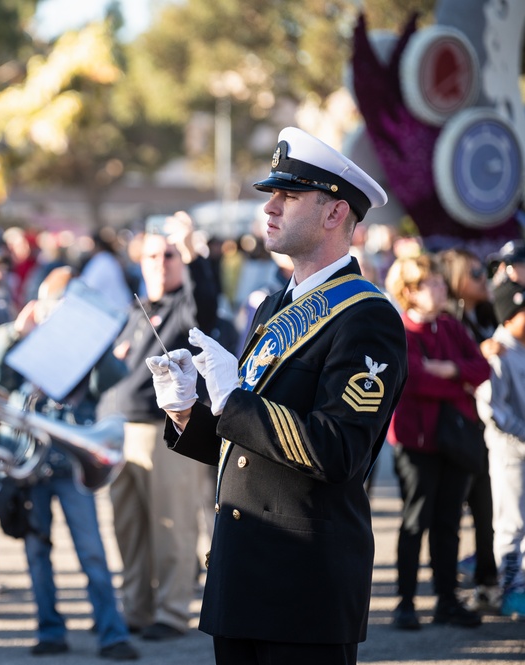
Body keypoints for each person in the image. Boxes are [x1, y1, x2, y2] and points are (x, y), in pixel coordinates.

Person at [147, 127, 408, 665]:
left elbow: (337, 451)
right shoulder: (273, 307)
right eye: (273, 194)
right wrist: (187, 414)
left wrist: (232, 401)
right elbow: (246, 448)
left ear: (335, 213)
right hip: (242, 578)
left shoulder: (368, 318)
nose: (270, 207)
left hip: (303, 586)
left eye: (288, 196)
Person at [0, 267, 139, 660]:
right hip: (29, 462)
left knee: (92, 551)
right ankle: (49, 629)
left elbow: (110, 380)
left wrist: (97, 344)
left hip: (71, 464)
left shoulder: (82, 341)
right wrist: (15, 331)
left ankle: (112, 633)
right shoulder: (23, 336)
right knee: (36, 552)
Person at [96, 214, 214, 642]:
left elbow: (207, 302)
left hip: (165, 430)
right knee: (128, 528)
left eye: (169, 255)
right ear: (139, 262)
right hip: (117, 428)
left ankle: (171, 610)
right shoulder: (132, 310)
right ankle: (138, 609)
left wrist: (192, 250)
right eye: (153, 255)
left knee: (173, 524)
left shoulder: (187, 306)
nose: (162, 263)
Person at [384, 253, 490, 630]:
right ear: (410, 292)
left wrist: (452, 369)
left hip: (454, 442)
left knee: (448, 523)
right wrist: (457, 383)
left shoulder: (450, 326)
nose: (442, 288)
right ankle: (406, 602)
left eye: (442, 283)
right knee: (415, 521)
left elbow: (482, 368)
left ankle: (447, 600)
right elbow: (413, 381)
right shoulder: (401, 329)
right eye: (433, 284)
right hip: (416, 443)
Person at [438, 248, 502, 611]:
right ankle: (448, 593)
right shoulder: (451, 321)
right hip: (460, 428)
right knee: (450, 512)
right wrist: (475, 361)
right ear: (457, 280)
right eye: (476, 273)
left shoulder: (494, 312)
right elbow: (460, 372)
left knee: (487, 510)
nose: (485, 279)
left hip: (493, 425)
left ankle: (488, 579)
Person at [475, 280, 525, 618]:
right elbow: (491, 407)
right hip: (510, 452)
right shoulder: (498, 350)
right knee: (511, 522)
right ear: (510, 316)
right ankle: (508, 589)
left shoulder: (520, 348)